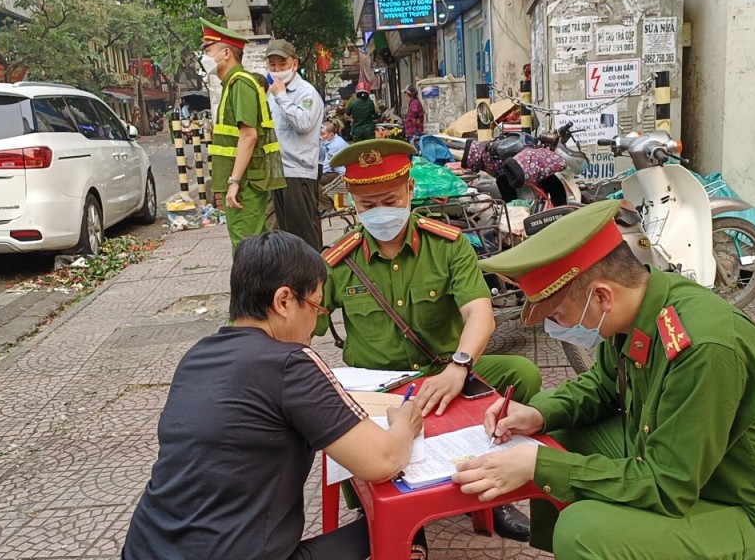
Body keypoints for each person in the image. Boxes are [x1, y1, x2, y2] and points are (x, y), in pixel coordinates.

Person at [452, 200, 755, 558]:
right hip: (703, 473)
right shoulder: (635, 308)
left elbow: (668, 485)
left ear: (602, 296)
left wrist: (539, 466)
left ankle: (597, 547)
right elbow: (601, 387)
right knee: (559, 438)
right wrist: (538, 414)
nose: (554, 328)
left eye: (557, 315)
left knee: (581, 529)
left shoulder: (701, 346)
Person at [122, 231, 423, 560]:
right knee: (405, 524)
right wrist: (404, 423)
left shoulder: (197, 356)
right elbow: (383, 461)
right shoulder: (289, 361)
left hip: (144, 548)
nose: (315, 322)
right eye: (316, 307)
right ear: (283, 301)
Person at [315, 139, 541, 544]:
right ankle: (378, 514)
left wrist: (459, 366)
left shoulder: (448, 245)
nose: (379, 212)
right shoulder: (337, 262)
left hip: (441, 371)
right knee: (334, 414)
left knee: (519, 374)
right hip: (378, 388)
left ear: (409, 190)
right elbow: (301, 322)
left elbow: (479, 312)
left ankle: (492, 490)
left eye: (388, 199)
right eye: (367, 206)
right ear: (351, 204)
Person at [199, 19, 285, 252]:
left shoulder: (240, 85)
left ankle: (253, 289)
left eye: (208, 50)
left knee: (246, 248)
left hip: (245, 183)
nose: (204, 56)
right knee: (256, 247)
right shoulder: (234, 84)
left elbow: (249, 136)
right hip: (246, 181)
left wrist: (234, 182)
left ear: (226, 53)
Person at [266, 38, 325, 252]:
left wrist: (282, 96)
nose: (277, 69)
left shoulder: (306, 93)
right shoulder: (271, 94)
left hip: (299, 172)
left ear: (294, 64)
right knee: (285, 234)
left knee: (303, 234)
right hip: (278, 171)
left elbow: (303, 123)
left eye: (282, 64)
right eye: (272, 65)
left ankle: (316, 281)